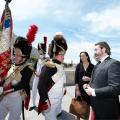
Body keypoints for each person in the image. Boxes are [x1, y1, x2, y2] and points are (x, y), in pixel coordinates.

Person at [0, 25, 38, 120]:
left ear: (24, 56)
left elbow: (22, 84)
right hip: (4, 99)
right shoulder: (11, 64)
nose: (15, 57)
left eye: (18, 55)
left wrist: (5, 90)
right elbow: (5, 78)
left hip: (16, 100)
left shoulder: (28, 68)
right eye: (14, 54)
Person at [83, 42, 120, 120]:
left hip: (107, 110)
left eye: (96, 50)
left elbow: (116, 88)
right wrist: (87, 85)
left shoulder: (113, 63)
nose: (94, 52)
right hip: (96, 107)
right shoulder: (97, 64)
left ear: (103, 49)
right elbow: (95, 81)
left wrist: (93, 91)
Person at [37, 32, 68, 120]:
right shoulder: (48, 66)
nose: (63, 57)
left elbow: (62, 81)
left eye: (63, 54)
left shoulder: (61, 66)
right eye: (61, 54)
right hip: (50, 101)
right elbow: (41, 86)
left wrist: (64, 89)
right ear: (55, 53)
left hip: (58, 100)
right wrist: (46, 101)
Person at [29, 36, 47, 111]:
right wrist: (35, 72)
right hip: (36, 77)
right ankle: (33, 104)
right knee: (33, 90)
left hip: (43, 79)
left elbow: (47, 70)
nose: (39, 50)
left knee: (42, 92)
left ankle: (43, 105)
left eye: (40, 49)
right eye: (38, 49)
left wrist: (42, 75)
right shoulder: (38, 59)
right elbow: (34, 68)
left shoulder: (47, 59)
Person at [75, 51, 94, 119]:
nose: (81, 57)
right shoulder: (78, 65)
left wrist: (89, 79)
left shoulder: (92, 66)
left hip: (88, 90)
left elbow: (95, 78)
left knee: (87, 106)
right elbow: (76, 79)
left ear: (87, 56)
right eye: (80, 56)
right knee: (78, 107)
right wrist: (77, 90)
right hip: (79, 89)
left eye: (83, 55)